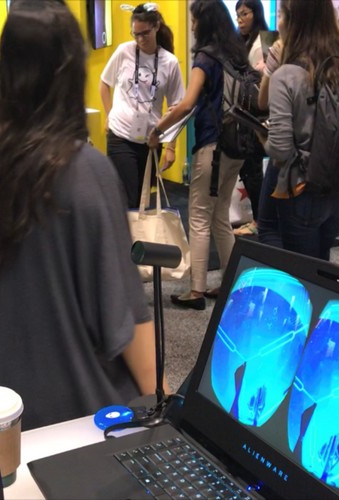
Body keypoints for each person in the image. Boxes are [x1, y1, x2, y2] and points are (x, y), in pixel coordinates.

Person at [0, 0, 159, 431]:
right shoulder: (88, 170)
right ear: (71, 72)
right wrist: (163, 404)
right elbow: (126, 319)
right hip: (90, 418)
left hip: (10, 415)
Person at [147, 0, 249, 310]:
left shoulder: (205, 58)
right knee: (220, 217)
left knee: (200, 217)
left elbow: (188, 102)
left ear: (204, 22)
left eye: (194, 21)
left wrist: (158, 130)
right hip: (235, 146)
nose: (191, 27)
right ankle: (230, 284)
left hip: (211, 146)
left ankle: (196, 290)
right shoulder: (235, 55)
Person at [260, 0, 339, 260]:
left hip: (303, 188)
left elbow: (280, 150)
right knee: (320, 262)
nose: (279, 22)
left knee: (292, 259)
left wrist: (263, 138)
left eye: (281, 15)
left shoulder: (285, 74)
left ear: (293, 21)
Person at [99, 2, 184, 209]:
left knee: (141, 200)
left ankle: (133, 230)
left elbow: (177, 107)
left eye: (144, 33)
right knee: (126, 199)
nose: (139, 39)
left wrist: (171, 147)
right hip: (120, 136)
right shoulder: (124, 51)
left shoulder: (170, 62)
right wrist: (109, 114)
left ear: (156, 27)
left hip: (151, 140)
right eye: (135, 34)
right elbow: (104, 84)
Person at [232, 0, 270, 237]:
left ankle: (260, 220)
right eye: (238, 14)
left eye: (244, 13)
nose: (240, 19)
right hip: (243, 113)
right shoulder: (239, 41)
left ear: (255, 13)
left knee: (253, 168)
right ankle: (261, 219)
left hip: (261, 114)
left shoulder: (266, 40)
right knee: (249, 168)